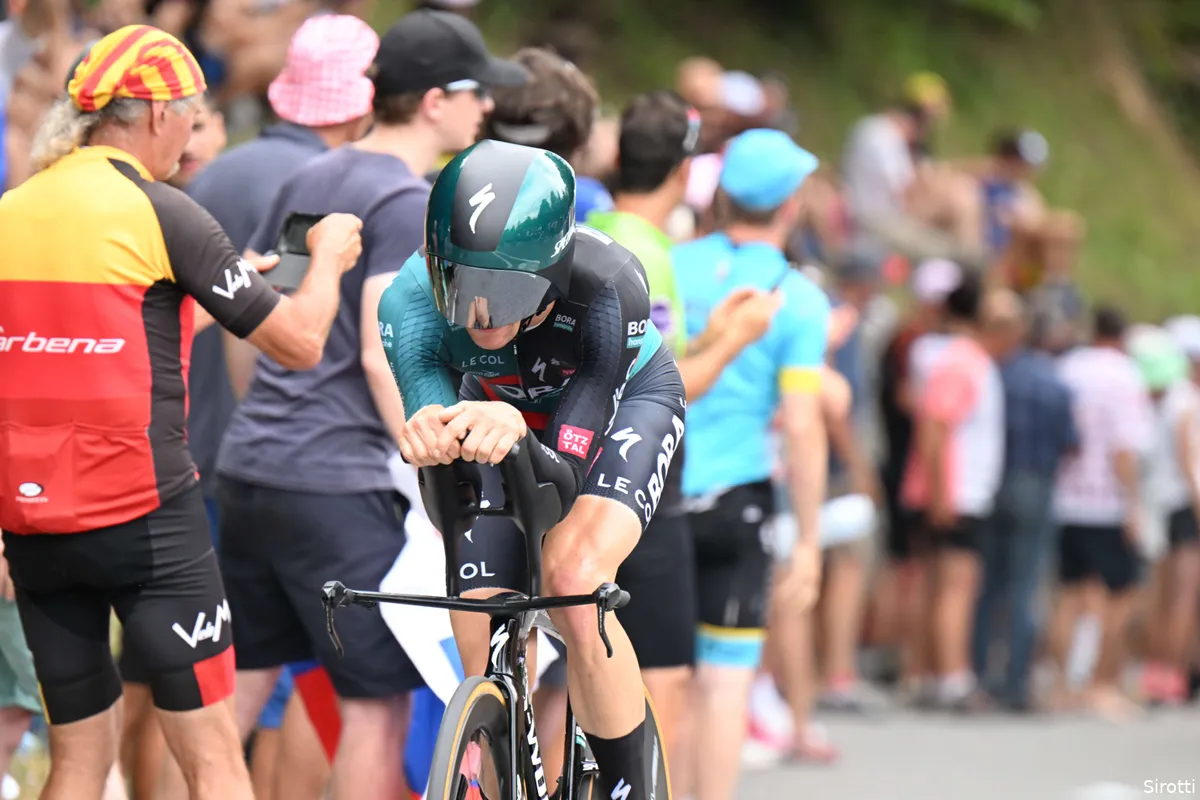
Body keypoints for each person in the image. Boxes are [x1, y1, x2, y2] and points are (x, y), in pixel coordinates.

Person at [0, 23, 363, 800]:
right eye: (193, 119)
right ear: (160, 114)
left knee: (76, 761)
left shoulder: (13, 211)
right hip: (146, 521)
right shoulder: (163, 211)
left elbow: (87, 339)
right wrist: (326, 259)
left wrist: (225, 289)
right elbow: (297, 342)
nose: (191, 138)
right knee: (213, 762)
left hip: (35, 523)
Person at [216, 10, 524, 799]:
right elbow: (388, 346)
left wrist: (271, 416)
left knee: (236, 699)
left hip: (253, 469)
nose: (485, 110)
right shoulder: (405, 196)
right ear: (433, 102)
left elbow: (255, 325)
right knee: (377, 706)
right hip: (338, 485)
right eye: (475, 93)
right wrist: (434, 469)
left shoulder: (312, 174)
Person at [380, 139, 686, 800]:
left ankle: (628, 787)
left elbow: (564, 479)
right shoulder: (407, 302)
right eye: (460, 287)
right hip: (498, 417)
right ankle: (499, 747)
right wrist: (434, 435)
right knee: (478, 600)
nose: (481, 314)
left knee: (573, 578)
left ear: (553, 271)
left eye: (506, 290)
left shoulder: (609, 287)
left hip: (620, 408)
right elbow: (443, 468)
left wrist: (519, 430)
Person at [587, 89, 780, 761]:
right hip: (639, 484)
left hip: (578, 468)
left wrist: (714, 334)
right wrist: (737, 340)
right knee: (663, 680)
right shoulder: (648, 251)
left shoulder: (593, 225)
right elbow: (663, 387)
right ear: (681, 172)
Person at [672, 129, 828, 799]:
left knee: (659, 675)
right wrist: (812, 541)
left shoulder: (669, 266)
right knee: (725, 680)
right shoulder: (799, 298)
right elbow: (801, 420)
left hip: (652, 495)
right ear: (792, 205)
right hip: (739, 500)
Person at [900, 273, 1005, 711]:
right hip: (958, 490)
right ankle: (951, 676)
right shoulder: (964, 361)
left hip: (955, 488)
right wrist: (943, 493)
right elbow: (936, 425)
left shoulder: (957, 357)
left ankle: (930, 672)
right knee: (955, 586)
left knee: (942, 584)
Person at [971, 292, 1077, 712]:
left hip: (994, 484)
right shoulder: (1052, 380)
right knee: (1024, 586)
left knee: (989, 585)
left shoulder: (994, 374)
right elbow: (1070, 441)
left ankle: (981, 675)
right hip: (1036, 483)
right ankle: (1016, 682)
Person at [1046, 306, 1152, 719]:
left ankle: (1061, 686)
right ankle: (1098, 684)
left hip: (1064, 495)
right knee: (1117, 597)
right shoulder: (1124, 375)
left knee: (1069, 596)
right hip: (1105, 501)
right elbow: (1124, 447)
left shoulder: (1068, 367)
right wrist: (1132, 503)